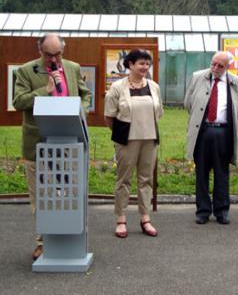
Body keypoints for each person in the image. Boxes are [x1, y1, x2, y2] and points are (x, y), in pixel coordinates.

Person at [13, 33, 91, 260]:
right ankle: (43, 242)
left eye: (58, 54)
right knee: (42, 196)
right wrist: (44, 90)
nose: (54, 59)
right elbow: (18, 102)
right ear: (40, 51)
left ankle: (69, 238)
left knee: (70, 192)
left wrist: (80, 110)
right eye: (49, 54)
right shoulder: (27, 71)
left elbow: (85, 95)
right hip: (37, 144)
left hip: (70, 143)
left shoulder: (73, 68)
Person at [104, 49, 163, 238]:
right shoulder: (117, 87)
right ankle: (121, 218)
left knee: (146, 179)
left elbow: (158, 112)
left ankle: (145, 218)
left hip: (149, 138)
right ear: (130, 64)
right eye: (141, 63)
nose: (145, 67)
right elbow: (109, 116)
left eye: (147, 63)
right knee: (124, 180)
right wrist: (120, 134)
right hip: (127, 140)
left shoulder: (154, 87)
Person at [184, 52, 238, 225]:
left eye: (220, 66)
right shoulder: (198, 77)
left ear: (228, 67)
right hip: (202, 131)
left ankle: (221, 211)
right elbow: (188, 103)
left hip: (223, 133)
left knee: (222, 172)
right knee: (201, 172)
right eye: (213, 64)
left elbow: (237, 106)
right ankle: (202, 211)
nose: (215, 68)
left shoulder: (237, 83)